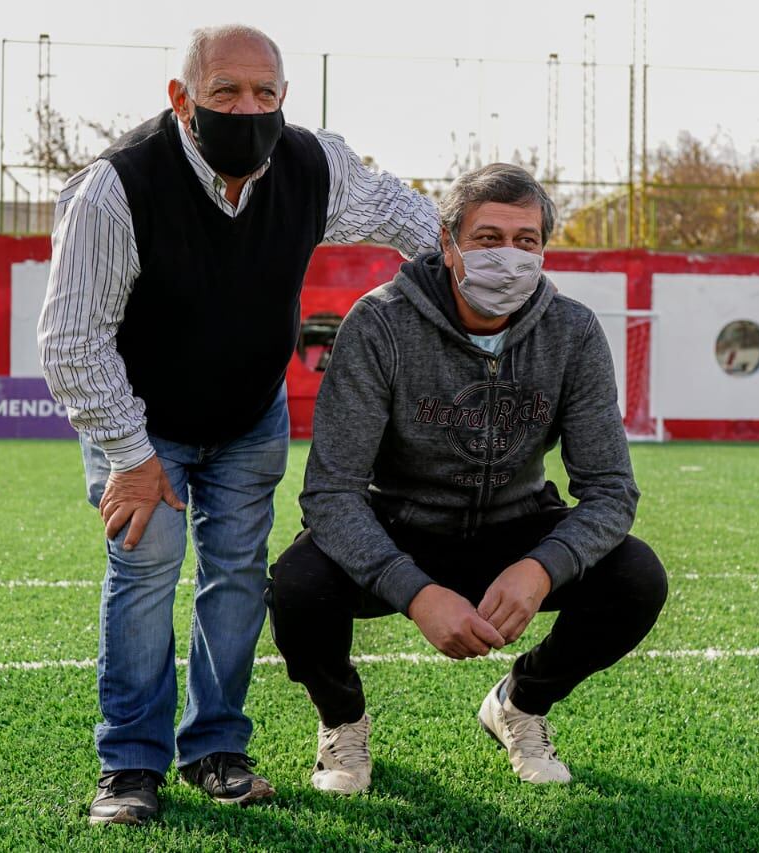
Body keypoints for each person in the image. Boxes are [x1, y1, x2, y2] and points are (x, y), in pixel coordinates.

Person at [37, 24, 439, 826]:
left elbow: (407, 215)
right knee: (145, 572)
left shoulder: (311, 165)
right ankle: (130, 764)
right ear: (182, 99)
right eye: (226, 91)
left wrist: (474, 270)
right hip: (141, 423)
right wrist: (130, 453)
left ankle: (216, 747)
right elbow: (71, 342)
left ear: (285, 99)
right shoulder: (116, 188)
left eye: (265, 93)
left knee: (234, 579)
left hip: (249, 415)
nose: (247, 108)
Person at [267, 163, 667, 794]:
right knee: (297, 585)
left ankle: (521, 703)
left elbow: (611, 490)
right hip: (401, 525)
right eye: (488, 239)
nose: (508, 257)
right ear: (448, 245)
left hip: (515, 525)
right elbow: (331, 492)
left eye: (526, 241)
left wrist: (542, 567)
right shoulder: (378, 323)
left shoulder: (573, 331)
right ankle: (341, 721)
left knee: (637, 576)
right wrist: (416, 591)